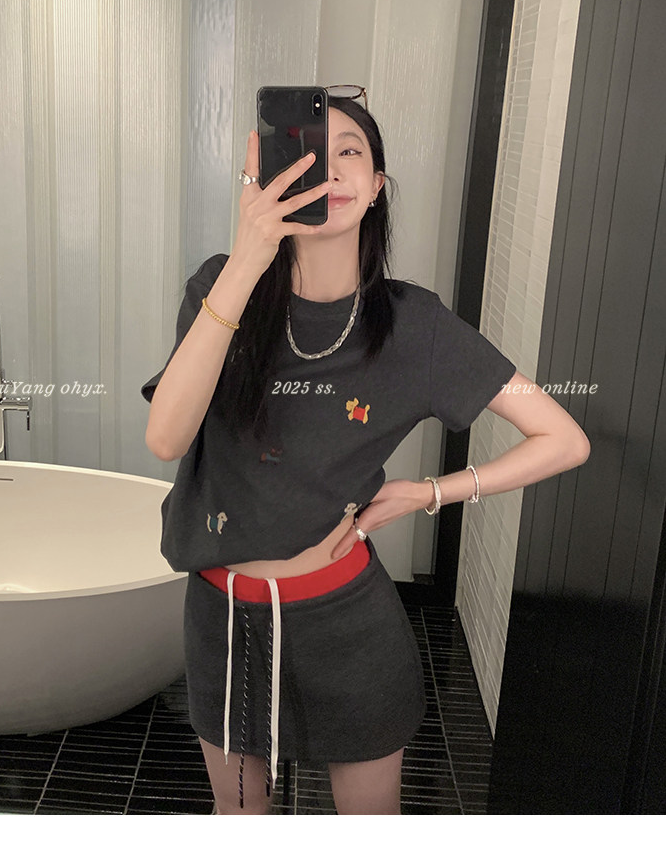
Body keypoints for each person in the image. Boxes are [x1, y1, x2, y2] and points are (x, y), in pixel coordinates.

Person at [141, 91, 590, 815]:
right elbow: (167, 436)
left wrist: (429, 492)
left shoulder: (414, 325)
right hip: (225, 625)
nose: (329, 168)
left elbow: (564, 439)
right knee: (238, 824)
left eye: (349, 151)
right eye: (309, 153)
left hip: (349, 631)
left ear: (376, 186)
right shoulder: (220, 286)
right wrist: (250, 255)